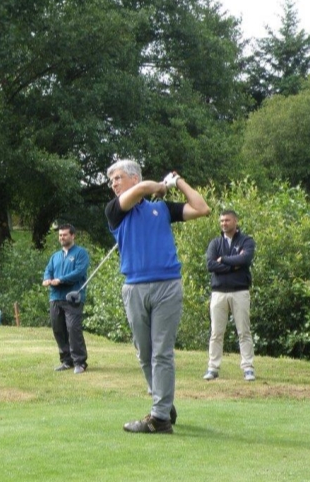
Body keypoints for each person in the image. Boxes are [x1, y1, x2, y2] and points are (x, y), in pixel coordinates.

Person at [105, 160, 210, 434]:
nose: (114, 184)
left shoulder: (161, 209)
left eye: (117, 178)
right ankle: (162, 400)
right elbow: (143, 189)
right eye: (111, 180)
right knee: (144, 352)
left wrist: (178, 182)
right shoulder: (115, 210)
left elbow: (202, 208)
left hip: (167, 286)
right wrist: (158, 186)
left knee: (161, 351)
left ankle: (160, 417)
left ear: (132, 176)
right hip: (134, 287)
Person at [203, 210, 256, 382]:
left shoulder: (246, 241)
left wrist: (223, 259)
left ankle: (248, 368)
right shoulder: (215, 243)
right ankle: (213, 368)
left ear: (235, 221)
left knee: (244, 332)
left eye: (227, 220)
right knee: (216, 333)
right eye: (221, 221)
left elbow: (245, 260)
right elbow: (210, 265)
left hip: (240, 291)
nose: (224, 223)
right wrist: (233, 264)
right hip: (218, 293)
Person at [42, 224, 90, 374]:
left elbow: (79, 272)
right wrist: (46, 279)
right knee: (59, 330)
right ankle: (66, 361)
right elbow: (48, 271)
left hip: (73, 298)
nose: (62, 237)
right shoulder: (55, 256)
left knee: (73, 329)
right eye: (60, 235)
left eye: (65, 235)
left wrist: (61, 280)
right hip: (55, 297)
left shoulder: (81, 253)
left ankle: (80, 362)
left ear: (72, 236)